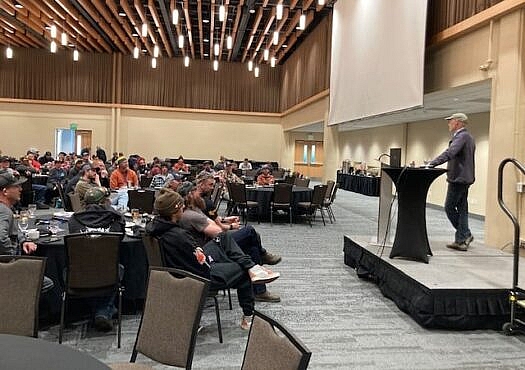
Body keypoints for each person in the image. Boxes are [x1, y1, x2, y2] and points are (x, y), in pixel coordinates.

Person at [146, 188, 279, 330]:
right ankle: (248, 315)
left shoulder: (155, 227)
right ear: (174, 210)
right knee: (242, 269)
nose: (184, 207)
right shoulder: (180, 236)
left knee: (223, 237)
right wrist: (222, 262)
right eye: (181, 205)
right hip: (198, 276)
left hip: (184, 268)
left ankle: (253, 268)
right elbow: (203, 267)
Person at [178, 181, 282, 302]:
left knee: (252, 248)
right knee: (249, 231)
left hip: (211, 244)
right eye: (196, 191)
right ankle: (262, 258)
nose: (199, 193)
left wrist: (224, 220)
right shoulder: (191, 215)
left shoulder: (195, 208)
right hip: (211, 250)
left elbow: (211, 221)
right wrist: (230, 226)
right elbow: (218, 231)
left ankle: (259, 289)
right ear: (190, 194)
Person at [67, 186, 124, 331]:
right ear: (105, 202)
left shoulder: (74, 220)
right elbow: (121, 240)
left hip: (78, 274)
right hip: (108, 273)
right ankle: (104, 310)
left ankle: (98, 310)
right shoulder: (116, 219)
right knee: (119, 268)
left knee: (74, 269)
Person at [428, 113, 476, 251]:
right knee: (462, 209)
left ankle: (465, 234)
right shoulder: (467, 137)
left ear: (458, 122)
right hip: (464, 178)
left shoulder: (462, 136)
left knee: (449, 207)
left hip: (459, 179)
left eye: (450, 121)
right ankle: (461, 239)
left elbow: (450, 153)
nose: (448, 124)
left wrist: (432, 163)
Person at [0, 171, 54, 291]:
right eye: (16, 186)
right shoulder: (3, 211)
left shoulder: (6, 209)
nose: (20, 189)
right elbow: (1, 238)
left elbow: (12, 231)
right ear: (5, 191)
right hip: (5, 269)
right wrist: (13, 260)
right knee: (46, 282)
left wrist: (23, 240)